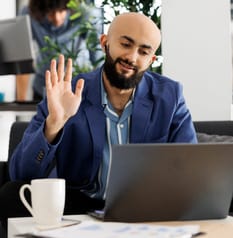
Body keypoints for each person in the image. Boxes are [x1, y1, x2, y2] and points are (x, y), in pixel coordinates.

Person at [0, 12, 197, 234]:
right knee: (10, 193)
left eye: (143, 51)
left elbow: (190, 172)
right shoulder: (66, 92)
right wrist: (54, 123)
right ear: (105, 43)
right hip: (80, 207)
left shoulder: (170, 96)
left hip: (145, 208)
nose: (132, 57)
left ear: (151, 60)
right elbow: (19, 174)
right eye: (125, 44)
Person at [16, 0, 100, 101]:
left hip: (76, 87)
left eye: (61, 11)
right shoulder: (29, 14)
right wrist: (21, 101)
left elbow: (97, 59)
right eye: (50, 13)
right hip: (42, 86)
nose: (57, 18)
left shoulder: (86, 15)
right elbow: (22, 58)